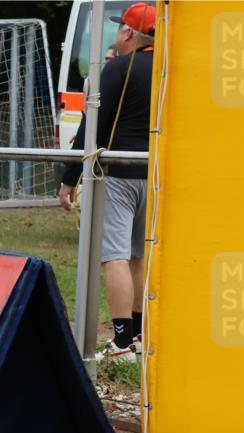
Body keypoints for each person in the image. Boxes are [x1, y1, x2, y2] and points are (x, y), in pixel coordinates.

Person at [58, 2, 155, 360]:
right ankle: (139, 336)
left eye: (119, 28)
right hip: (155, 174)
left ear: (128, 33)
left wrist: (70, 178)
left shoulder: (118, 69)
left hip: (118, 174)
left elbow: (92, 127)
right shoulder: (166, 71)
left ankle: (119, 341)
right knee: (138, 257)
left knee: (113, 255)